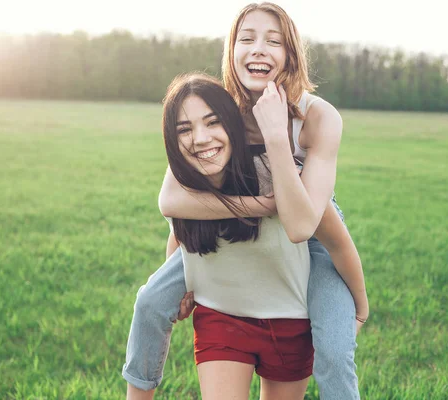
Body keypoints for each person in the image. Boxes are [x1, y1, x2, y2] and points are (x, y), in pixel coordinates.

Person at [124, 3, 368, 399]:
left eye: (273, 41)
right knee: (150, 300)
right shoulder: (222, 111)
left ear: (290, 54)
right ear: (231, 51)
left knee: (335, 352)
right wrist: (258, 205)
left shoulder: (317, 117)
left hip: (311, 224)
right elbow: (174, 199)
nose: (258, 49)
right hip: (243, 219)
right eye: (246, 39)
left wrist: (361, 302)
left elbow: (306, 225)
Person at [162, 73, 317, 399]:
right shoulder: (185, 189)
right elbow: (178, 235)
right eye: (184, 129)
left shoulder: (274, 175)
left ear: (234, 126)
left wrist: (358, 304)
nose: (200, 139)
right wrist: (179, 286)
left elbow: (332, 237)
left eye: (212, 122)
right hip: (221, 318)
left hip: (289, 320)